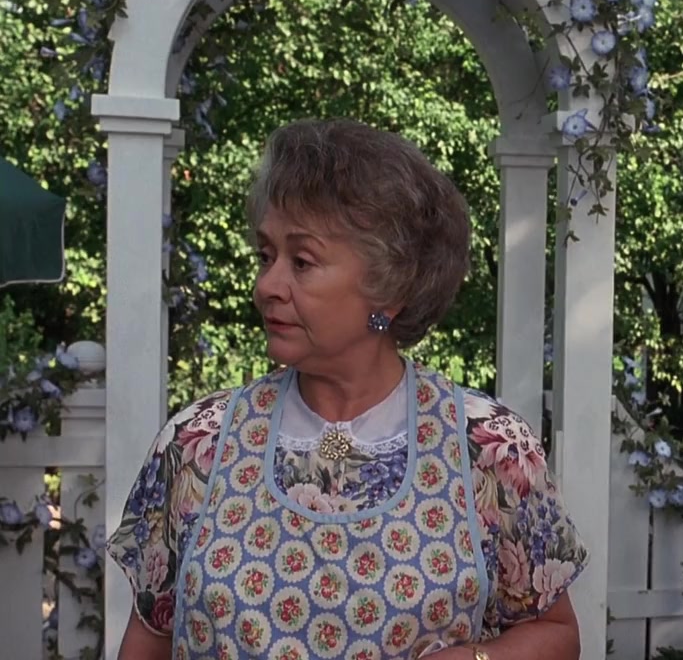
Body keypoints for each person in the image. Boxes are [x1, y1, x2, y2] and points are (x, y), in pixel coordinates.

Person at [107, 119, 587, 660]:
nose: (267, 286)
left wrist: (477, 659)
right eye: (266, 256)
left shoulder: (489, 448)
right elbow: (150, 637)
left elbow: (556, 633)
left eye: (302, 262)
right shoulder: (198, 444)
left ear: (392, 286)